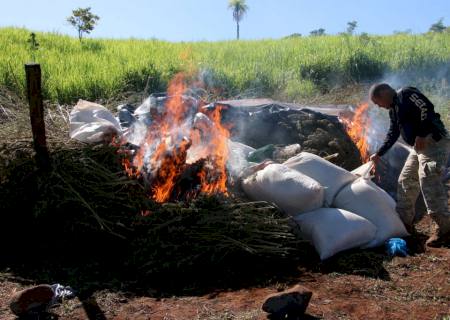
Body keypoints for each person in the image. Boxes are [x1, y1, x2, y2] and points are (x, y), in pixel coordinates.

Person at [368, 83, 450, 247]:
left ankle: (445, 229)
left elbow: (426, 108)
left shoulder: (406, 94)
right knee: (405, 180)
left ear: (384, 93)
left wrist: (421, 133)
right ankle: (405, 224)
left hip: (432, 142)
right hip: (418, 147)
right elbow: (393, 133)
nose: (379, 106)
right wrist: (379, 153)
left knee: (428, 180)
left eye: (378, 102)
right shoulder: (394, 110)